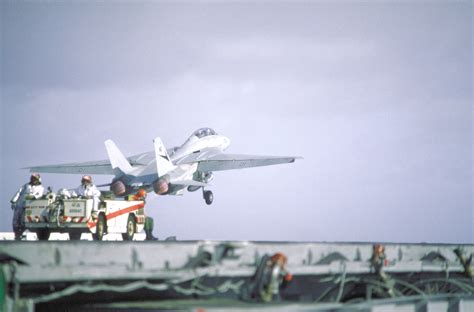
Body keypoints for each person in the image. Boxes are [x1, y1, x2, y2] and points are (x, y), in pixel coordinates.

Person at [10, 173, 45, 240]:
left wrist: (33, 197)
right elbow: (19, 192)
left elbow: (39, 195)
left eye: (34, 178)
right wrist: (13, 201)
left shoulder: (41, 188)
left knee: (24, 221)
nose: (33, 180)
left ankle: (21, 233)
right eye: (32, 178)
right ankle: (17, 235)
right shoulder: (26, 186)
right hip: (19, 205)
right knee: (15, 221)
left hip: (29, 207)